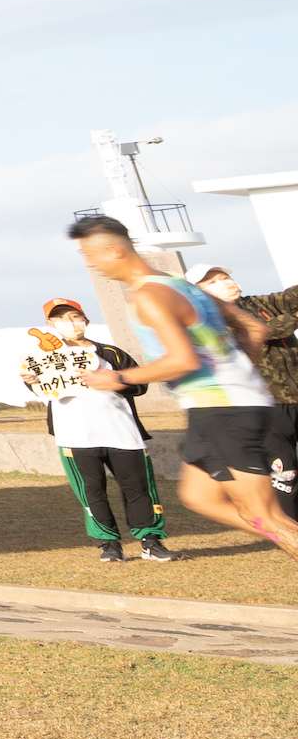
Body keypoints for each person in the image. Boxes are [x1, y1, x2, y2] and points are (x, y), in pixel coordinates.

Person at [71, 217, 297, 558]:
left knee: (267, 517)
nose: (89, 263)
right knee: (200, 498)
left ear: (114, 250)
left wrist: (117, 378)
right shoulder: (181, 285)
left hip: (223, 411)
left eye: (89, 254)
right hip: (220, 407)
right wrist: (240, 375)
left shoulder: (150, 296)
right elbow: (252, 327)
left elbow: (183, 360)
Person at [17, 299, 173, 561]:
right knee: (92, 490)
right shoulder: (42, 357)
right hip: (75, 435)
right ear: (50, 324)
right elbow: (45, 388)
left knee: (138, 487)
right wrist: (30, 382)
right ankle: (109, 543)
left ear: (86, 320)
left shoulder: (111, 353)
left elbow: (140, 383)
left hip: (121, 431)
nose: (71, 323)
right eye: (62, 319)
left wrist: (114, 381)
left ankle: (150, 539)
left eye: (75, 316)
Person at [196, 267, 298, 508]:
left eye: (225, 277)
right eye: (213, 282)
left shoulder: (257, 303)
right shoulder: (211, 320)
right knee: (286, 475)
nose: (224, 283)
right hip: (267, 406)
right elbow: (265, 329)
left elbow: (289, 297)